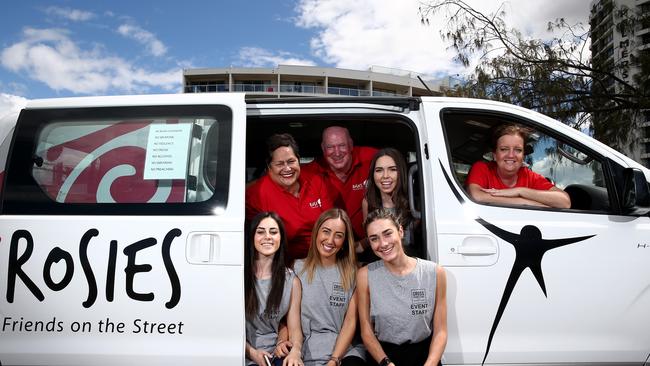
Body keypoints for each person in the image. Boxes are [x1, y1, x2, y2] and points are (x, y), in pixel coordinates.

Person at [357, 209, 447, 366]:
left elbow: (440, 331)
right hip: (383, 356)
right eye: (374, 239)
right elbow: (366, 331)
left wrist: (430, 364)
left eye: (387, 234)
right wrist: (386, 363)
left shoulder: (434, 272)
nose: (383, 244)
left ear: (400, 231)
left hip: (424, 357)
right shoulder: (365, 275)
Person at [284, 208, 366, 366]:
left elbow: (350, 323)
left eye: (338, 235)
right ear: (316, 233)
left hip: (344, 351)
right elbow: (285, 317)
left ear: (344, 242)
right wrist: (287, 343)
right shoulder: (296, 268)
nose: (330, 240)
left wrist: (334, 360)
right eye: (326, 232)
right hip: (305, 350)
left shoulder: (355, 273)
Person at [247, 133, 334, 261]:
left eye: (291, 161)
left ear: (299, 160)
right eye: (280, 164)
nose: (287, 168)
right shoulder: (255, 195)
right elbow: (259, 245)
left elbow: (331, 223)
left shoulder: (316, 180)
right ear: (269, 166)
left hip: (325, 256)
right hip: (285, 264)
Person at [245, 212, 303, 366]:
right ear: (252, 237)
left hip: (274, 353)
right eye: (261, 232)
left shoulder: (292, 281)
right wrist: (252, 353)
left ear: (281, 238)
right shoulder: (238, 276)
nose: (267, 237)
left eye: (273, 232)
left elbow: (295, 328)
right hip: (242, 352)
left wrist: (295, 351)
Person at [465, 124, 571, 208]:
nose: (511, 155)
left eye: (518, 150)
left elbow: (564, 202)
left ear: (523, 156)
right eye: (504, 149)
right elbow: (476, 196)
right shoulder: (482, 168)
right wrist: (525, 203)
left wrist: (520, 191)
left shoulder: (529, 176)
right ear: (495, 155)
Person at [302, 126, 377, 240]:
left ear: (351, 145)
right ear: (323, 149)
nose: (337, 153)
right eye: (330, 147)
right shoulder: (310, 173)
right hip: (331, 244)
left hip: (371, 243)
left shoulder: (371, 158)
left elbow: (395, 165)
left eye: (342, 145)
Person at [361, 148, 418, 257]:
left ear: (401, 172)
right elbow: (370, 239)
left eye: (392, 169)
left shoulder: (414, 204)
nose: (385, 176)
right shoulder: (368, 202)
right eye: (379, 170)